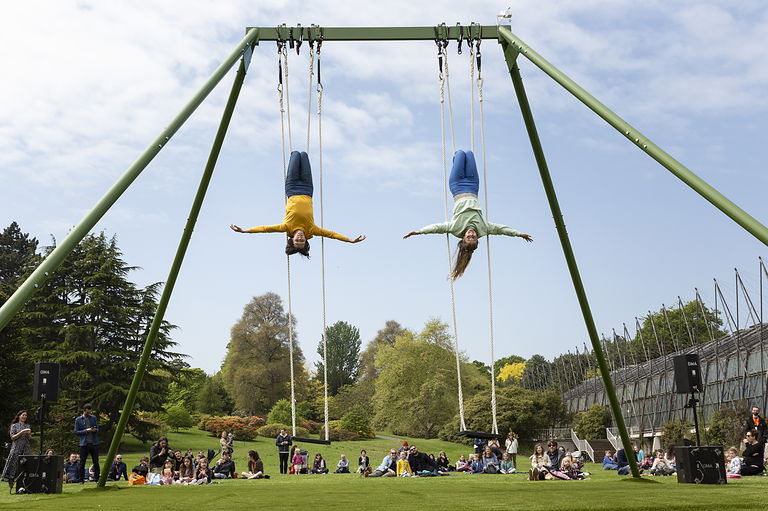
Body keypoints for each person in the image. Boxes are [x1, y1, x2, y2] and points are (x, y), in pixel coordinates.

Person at [403, 149, 532, 279]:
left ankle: (455, 159)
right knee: (469, 154)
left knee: (459, 154)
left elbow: (437, 228)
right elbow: (501, 229)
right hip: (473, 186)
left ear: (463, 238)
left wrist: (419, 231)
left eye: (469, 237)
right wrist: (518, 234)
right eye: (474, 237)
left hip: (457, 186)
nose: (472, 234)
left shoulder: (455, 228)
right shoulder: (484, 229)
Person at [230, 150, 366, 257]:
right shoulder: (312, 230)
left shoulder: (286, 227)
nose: (300, 239)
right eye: (302, 241)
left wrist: (244, 231)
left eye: (297, 241)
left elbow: (265, 229)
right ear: (306, 240)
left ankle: (293, 156)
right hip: (307, 189)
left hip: (292, 187)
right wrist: (350, 240)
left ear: (292, 240)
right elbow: (332, 234)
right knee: (304, 155)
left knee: (295, 154)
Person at [1, 410, 32, 489]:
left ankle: (24, 484)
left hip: (26, 449)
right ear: (19, 416)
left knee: (25, 466)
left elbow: (30, 438)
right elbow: (13, 437)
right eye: (23, 415)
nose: (24, 416)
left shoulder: (27, 426)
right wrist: (21, 432)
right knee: (12, 466)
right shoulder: (14, 426)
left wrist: (28, 434)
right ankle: (10, 485)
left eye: (25, 415)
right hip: (16, 448)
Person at [74, 403, 100, 483]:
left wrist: (95, 430)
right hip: (84, 444)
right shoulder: (78, 419)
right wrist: (86, 431)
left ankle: (97, 479)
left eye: (90, 411)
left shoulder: (93, 418)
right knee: (82, 463)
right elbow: (76, 432)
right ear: (84, 411)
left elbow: (97, 428)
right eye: (88, 412)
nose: (89, 413)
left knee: (96, 462)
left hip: (94, 443)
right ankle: (81, 480)